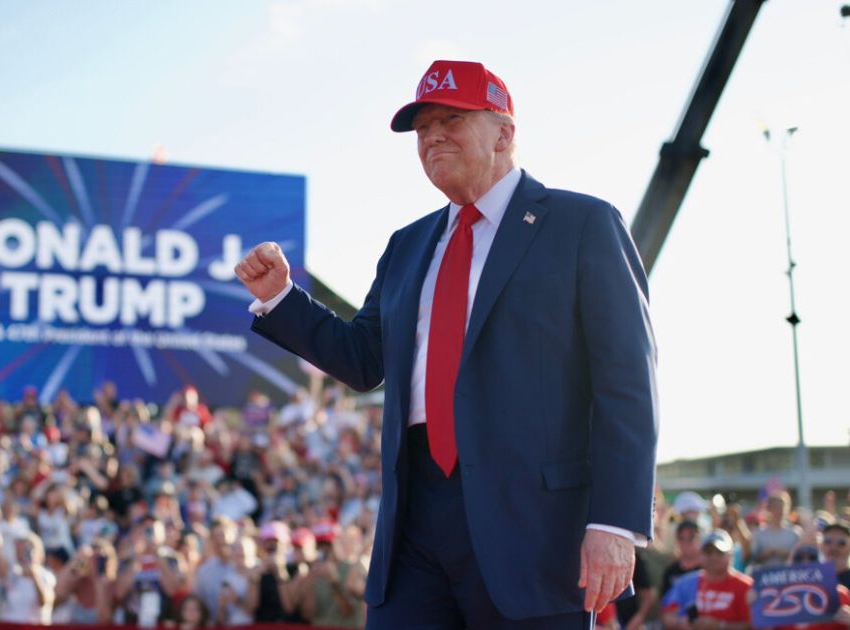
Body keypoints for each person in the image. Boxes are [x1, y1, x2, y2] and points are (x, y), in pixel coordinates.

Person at [235, 59, 658, 627]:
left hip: (533, 525)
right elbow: (364, 361)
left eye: (451, 119)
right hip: (414, 515)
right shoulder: (408, 245)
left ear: (504, 133)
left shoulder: (582, 225)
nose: (432, 135)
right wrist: (282, 298)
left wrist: (613, 522)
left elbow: (627, 381)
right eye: (423, 126)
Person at [662, 530, 751, 629]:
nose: (713, 557)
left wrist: (720, 626)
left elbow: (754, 624)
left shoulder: (745, 586)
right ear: (701, 555)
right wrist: (681, 623)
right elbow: (667, 615)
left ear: (730, 555)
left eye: (719, 552)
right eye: (708, 552)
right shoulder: (686, 583)